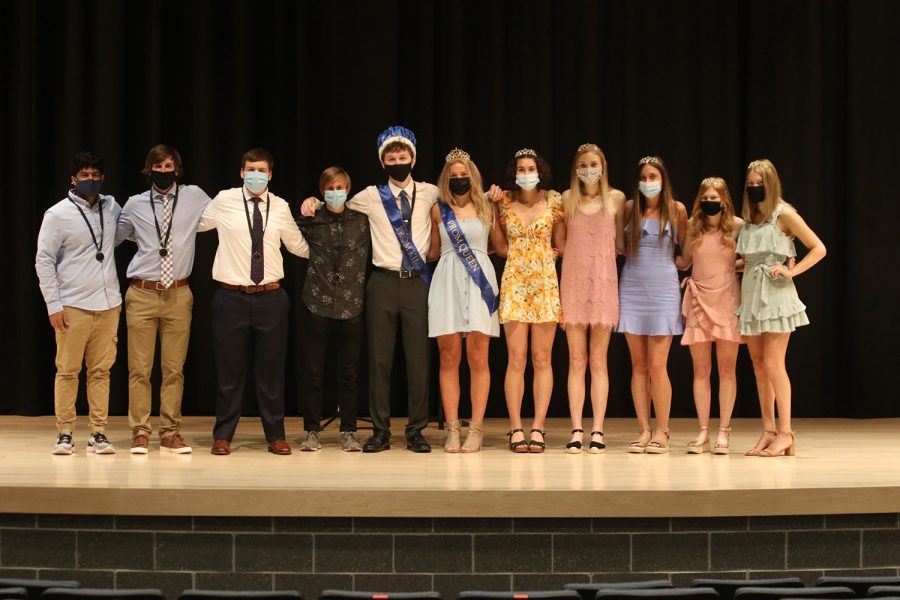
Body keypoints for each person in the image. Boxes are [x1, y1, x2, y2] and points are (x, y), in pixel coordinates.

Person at [301, 126, 438, 453]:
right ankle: (380, 430)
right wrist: (311, 201)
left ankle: (416, 430)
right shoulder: (369, 196)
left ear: (413, 158)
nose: (397, 161)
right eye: (391, 158)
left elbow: (464, 200)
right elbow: (333, 203)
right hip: (382, 283)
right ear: (382, 162)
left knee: (418, 361)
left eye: (402, 156)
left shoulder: (431, 191)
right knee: (379, 361)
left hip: (417, 282)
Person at [197, 148, 309, 456]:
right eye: (250, 169)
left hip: (271, 298)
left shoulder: (281, 206)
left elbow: (298, 246)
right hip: (230, 297)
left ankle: (276, 435)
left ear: (270, 175)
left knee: (271, 374)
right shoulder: (223, 200)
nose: (256, 174)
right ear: (242, 172)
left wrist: (329, 242)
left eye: (262, 170)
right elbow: (193, 225)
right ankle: (223, 436)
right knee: (229, 374)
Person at [115, 144, 211, 454]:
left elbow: (225, 211)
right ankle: (140, 431)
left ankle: (170, 432)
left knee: (174, 369)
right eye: (158, 167)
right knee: (140, 369)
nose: (163, 171)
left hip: (178, 293)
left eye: (169, 166)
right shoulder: (134, 204)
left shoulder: (195, 196)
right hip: (142, 293)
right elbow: (119, 235)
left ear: (177, 170)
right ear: (149, 170)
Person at [738, 159, 826, 457]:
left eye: (758, 184)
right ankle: (768, 429)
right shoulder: (751, 216)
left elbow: (818, 247)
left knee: (775, 364)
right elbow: (748, 257)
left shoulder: (785, 214)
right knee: (759, 366)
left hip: (775, 295)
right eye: (750, 184)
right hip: (750, 292)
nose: (754, 188)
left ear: (771, 183)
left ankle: (786, 431)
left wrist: (792, 270)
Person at [35, 151, 122, 455]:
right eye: (84, 175)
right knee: (68, 370)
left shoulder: (111, 207)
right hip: (72, 303)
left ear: (102, 178)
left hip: (109, 303)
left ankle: (98, 432)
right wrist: (53, 305)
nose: (90, 180)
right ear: (73, 179)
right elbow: (43, 261)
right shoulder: (57, 214)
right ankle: (65, 432)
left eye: (95, 175)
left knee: (100, 371)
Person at [426, 148, 506, 452]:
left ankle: (476, 427)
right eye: (454, 176)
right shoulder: (438, 209)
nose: (459, 180)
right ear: (446, 179)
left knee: (478, 358)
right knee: (448, 358)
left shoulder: (488, 207)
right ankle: (453, 428)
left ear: (472, 177)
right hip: (446, 280)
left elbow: (500, 247)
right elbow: (433, 251)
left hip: (480, 283)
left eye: (464, 175)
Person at [489, 148, 564, 453]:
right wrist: (494, 211)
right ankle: (516, 426)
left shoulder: (555, 199)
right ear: (514, 173)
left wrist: (554, 253)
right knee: (517, 359)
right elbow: (501, 248)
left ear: (540, 170)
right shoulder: (505, 200)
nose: (526, 173)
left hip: (545, 281)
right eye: (521, 169)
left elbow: (560, 243)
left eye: (531, 168)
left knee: (542, 359)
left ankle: (539, 427)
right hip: (515, 280)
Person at [557, 143, 625, 454]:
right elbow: (559, 243)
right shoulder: (566, 198)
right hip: (573, 284)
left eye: (593, 163)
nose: (588, 168)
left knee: (599, 360)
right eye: (582, 163)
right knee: (576, 359)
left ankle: (597, 428)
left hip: (603, 285)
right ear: (575, 168)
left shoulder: (616, 199)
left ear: (603, 165)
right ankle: (576, 428)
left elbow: (622, 241)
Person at [617, 155, 688, 454]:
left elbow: (685, 255)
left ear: (663, 179)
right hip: (632, 286)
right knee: (638, 365)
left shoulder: (677, 210)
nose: (648, 183)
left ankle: (663, 430)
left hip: (663, 289)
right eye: (644, 177)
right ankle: (644, 429)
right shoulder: (629, 209)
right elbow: (619, 246)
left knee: (658, 365)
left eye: (653, 177)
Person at [296, 166, 369, 452]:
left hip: (352, 305)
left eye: (340, 187)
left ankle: (348, 430)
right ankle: (312, 430)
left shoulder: (363, 220)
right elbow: (286, 233)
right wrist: (306, 205)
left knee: (349, 373)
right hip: (317, 303)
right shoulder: (312, 218)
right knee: (313, 371)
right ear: (322, 191)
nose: (335, 192)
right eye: (330, 188)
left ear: (348, 190)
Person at [675, 177, 743, 454]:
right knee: (701, 370)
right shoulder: (692, 226)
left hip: (727, 300)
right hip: (699, 300)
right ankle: (703, 430)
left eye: (715, 198)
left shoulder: (738, 226)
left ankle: (724, 432)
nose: (710, 203)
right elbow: (684, 262)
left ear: (725, 200)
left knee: (727, 369)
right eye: (706, 198)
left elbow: (748, 257)